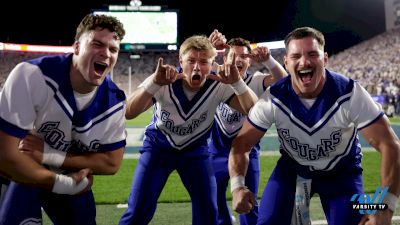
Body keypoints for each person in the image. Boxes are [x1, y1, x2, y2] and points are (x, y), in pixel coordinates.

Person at [228, 26, 400, 225]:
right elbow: (241, 144)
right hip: (292, 171)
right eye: (296, 56)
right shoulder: (273, 98)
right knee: (268, 221)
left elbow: (390, 145)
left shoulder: (350, 93)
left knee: (363, 214)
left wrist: (386, 206)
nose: (304, 61)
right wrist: (238, 186)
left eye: (312, 54)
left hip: (341, 174)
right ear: (286, 62)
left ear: (325, 58)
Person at [0, 13, 127, 225]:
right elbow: (6, 155)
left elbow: (111, 163)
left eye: (113, 49)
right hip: (19, 174)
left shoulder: (114, 102)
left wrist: (52, 155)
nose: (106, 53)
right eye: (97, 44)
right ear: (77, 47)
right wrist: (64, 184)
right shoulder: (33, 75)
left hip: (70, 176)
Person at [119, 32, 258, 225]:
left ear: (213, 63)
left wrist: (237, 82)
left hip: (195, 151)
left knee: (208, 213)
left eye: (203, 62)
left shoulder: (219, 84)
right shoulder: (164, 78)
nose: (196, 67)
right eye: (191, 60)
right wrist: (153, 83)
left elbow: (255, 113)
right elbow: (129, 111)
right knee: (138, 210)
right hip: (158, 148)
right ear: (180, 61)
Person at [207, 37, 287, 225]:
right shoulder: (214, 78)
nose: (239, 59)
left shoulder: (257, 81)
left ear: (250, 61)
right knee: (215, 205)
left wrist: (268, 60)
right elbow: (195, 66)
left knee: (249, 206)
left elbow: (284, 81)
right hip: (216, 152)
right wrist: (210, 48)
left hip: (249, 154)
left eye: (244, 56)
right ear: (224, 58)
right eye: (233, 55)